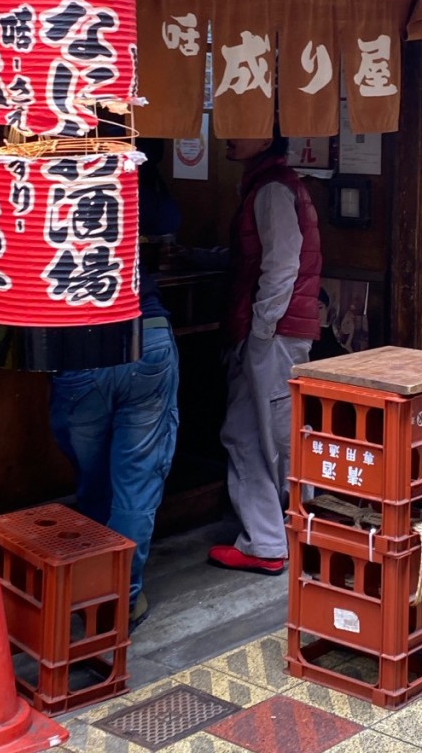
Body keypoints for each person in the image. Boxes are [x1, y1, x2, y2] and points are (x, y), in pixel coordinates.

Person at [49, 141, 181, 631]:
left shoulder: (47, 177)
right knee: (137, 483)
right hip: (145, 335)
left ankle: (89, 588)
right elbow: (169, 219)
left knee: (94, 479)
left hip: (80, 349)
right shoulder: (132, 170)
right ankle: (120, 599)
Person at [207, 130, 322, 575]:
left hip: (273, 334)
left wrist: (260, 329)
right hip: (268, 331)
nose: (228, 134)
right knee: (246, 434)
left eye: (244, 126)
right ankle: (269, 540)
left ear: (268, 139)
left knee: (281, 436)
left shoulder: (274, 187)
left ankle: (296, 535)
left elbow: (282, 265)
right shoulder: (271, 183)